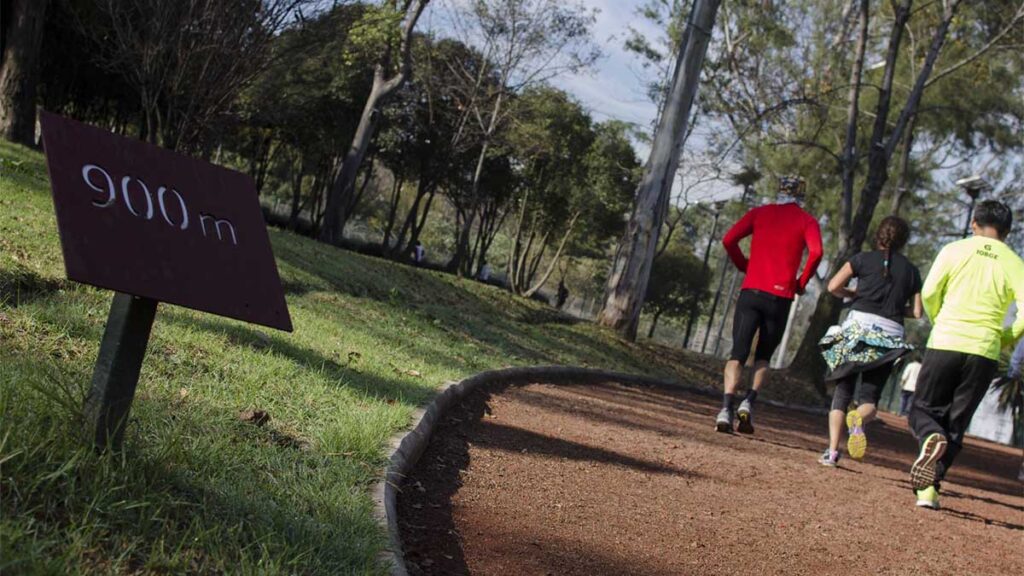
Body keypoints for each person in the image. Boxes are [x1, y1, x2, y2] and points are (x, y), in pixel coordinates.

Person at [908, 200, 1024, 510]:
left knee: (922, 410)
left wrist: (938, 319)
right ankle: (929, 490)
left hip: (946, 339)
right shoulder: (1015, 263)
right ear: (1007, 231)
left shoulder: (953, 250)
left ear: (974, 223)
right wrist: (1006, 338)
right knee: (956, 423)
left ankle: (930, 436)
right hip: (985, 350)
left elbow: (930, 292)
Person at [715, 175, 823, 434]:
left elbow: (729, 240)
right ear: (801, 195)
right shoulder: (807, 221)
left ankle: (726, 409)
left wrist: (744, 265)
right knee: (763, 356)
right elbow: (817, 252)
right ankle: (749, 402)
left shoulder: (759, 213)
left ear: (780, 191)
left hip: (751, 291)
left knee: (738, 353)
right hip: (780, 297)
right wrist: (801, 282)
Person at [817, 216, 923, 467]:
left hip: (857, 328)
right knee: (870, 400)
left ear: (878, 235)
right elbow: (917, 312)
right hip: (889, 337)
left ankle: (832, 452)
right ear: (904, 241)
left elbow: (833, 286)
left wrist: (854, 294)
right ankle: (859, 418)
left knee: (842, 392)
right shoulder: (912, 271)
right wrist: (895, 308)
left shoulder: (861, 259)